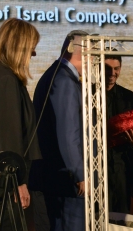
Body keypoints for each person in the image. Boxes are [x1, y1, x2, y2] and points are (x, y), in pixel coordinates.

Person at [0, 18, 42, 230]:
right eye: (31, 48)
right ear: (19, 45)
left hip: (3, 172)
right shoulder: (6, 79)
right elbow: (10, 134)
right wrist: (18, 182)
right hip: (7, 175)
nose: (33, 54)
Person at [30, 30, 89, 230]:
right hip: (67, 182)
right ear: (83, 53)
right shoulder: (65, 82)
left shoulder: (54, 74)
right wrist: (81, 174)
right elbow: (68, 134)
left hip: (57, 179)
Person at [105, 55, 133, 213]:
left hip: (121, 168)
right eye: (107, 68)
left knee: (122, 216)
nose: (112, 73)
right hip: (96, 167)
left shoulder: (128, 96)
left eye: (116, 68)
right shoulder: (86, 93)